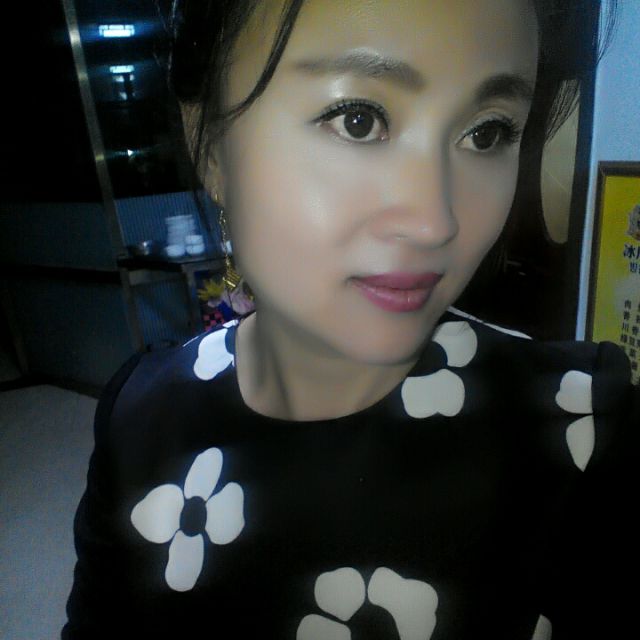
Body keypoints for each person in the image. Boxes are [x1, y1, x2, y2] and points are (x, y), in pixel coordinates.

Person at [63, 1, 637, 638]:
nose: (435, 222)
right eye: (358, 120)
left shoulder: (584, 429)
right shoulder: (138, 418)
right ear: (211, 145)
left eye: (488, 133)